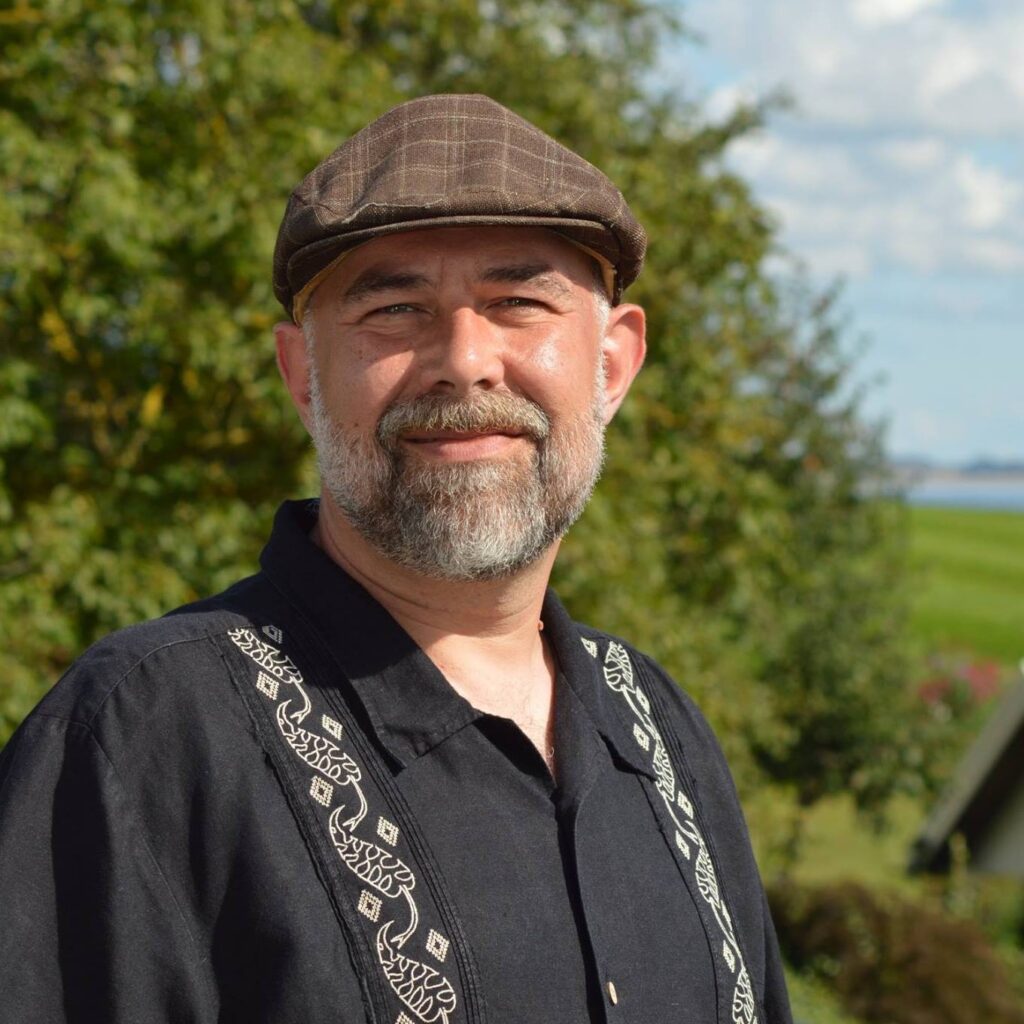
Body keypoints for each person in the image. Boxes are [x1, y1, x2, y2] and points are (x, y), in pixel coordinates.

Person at [0, 94, 792, 1024]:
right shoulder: (142, 737)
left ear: (612, 365)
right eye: (394, 308)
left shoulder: (659, 730)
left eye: (518, 303)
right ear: (303, 376)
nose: (464, 360)